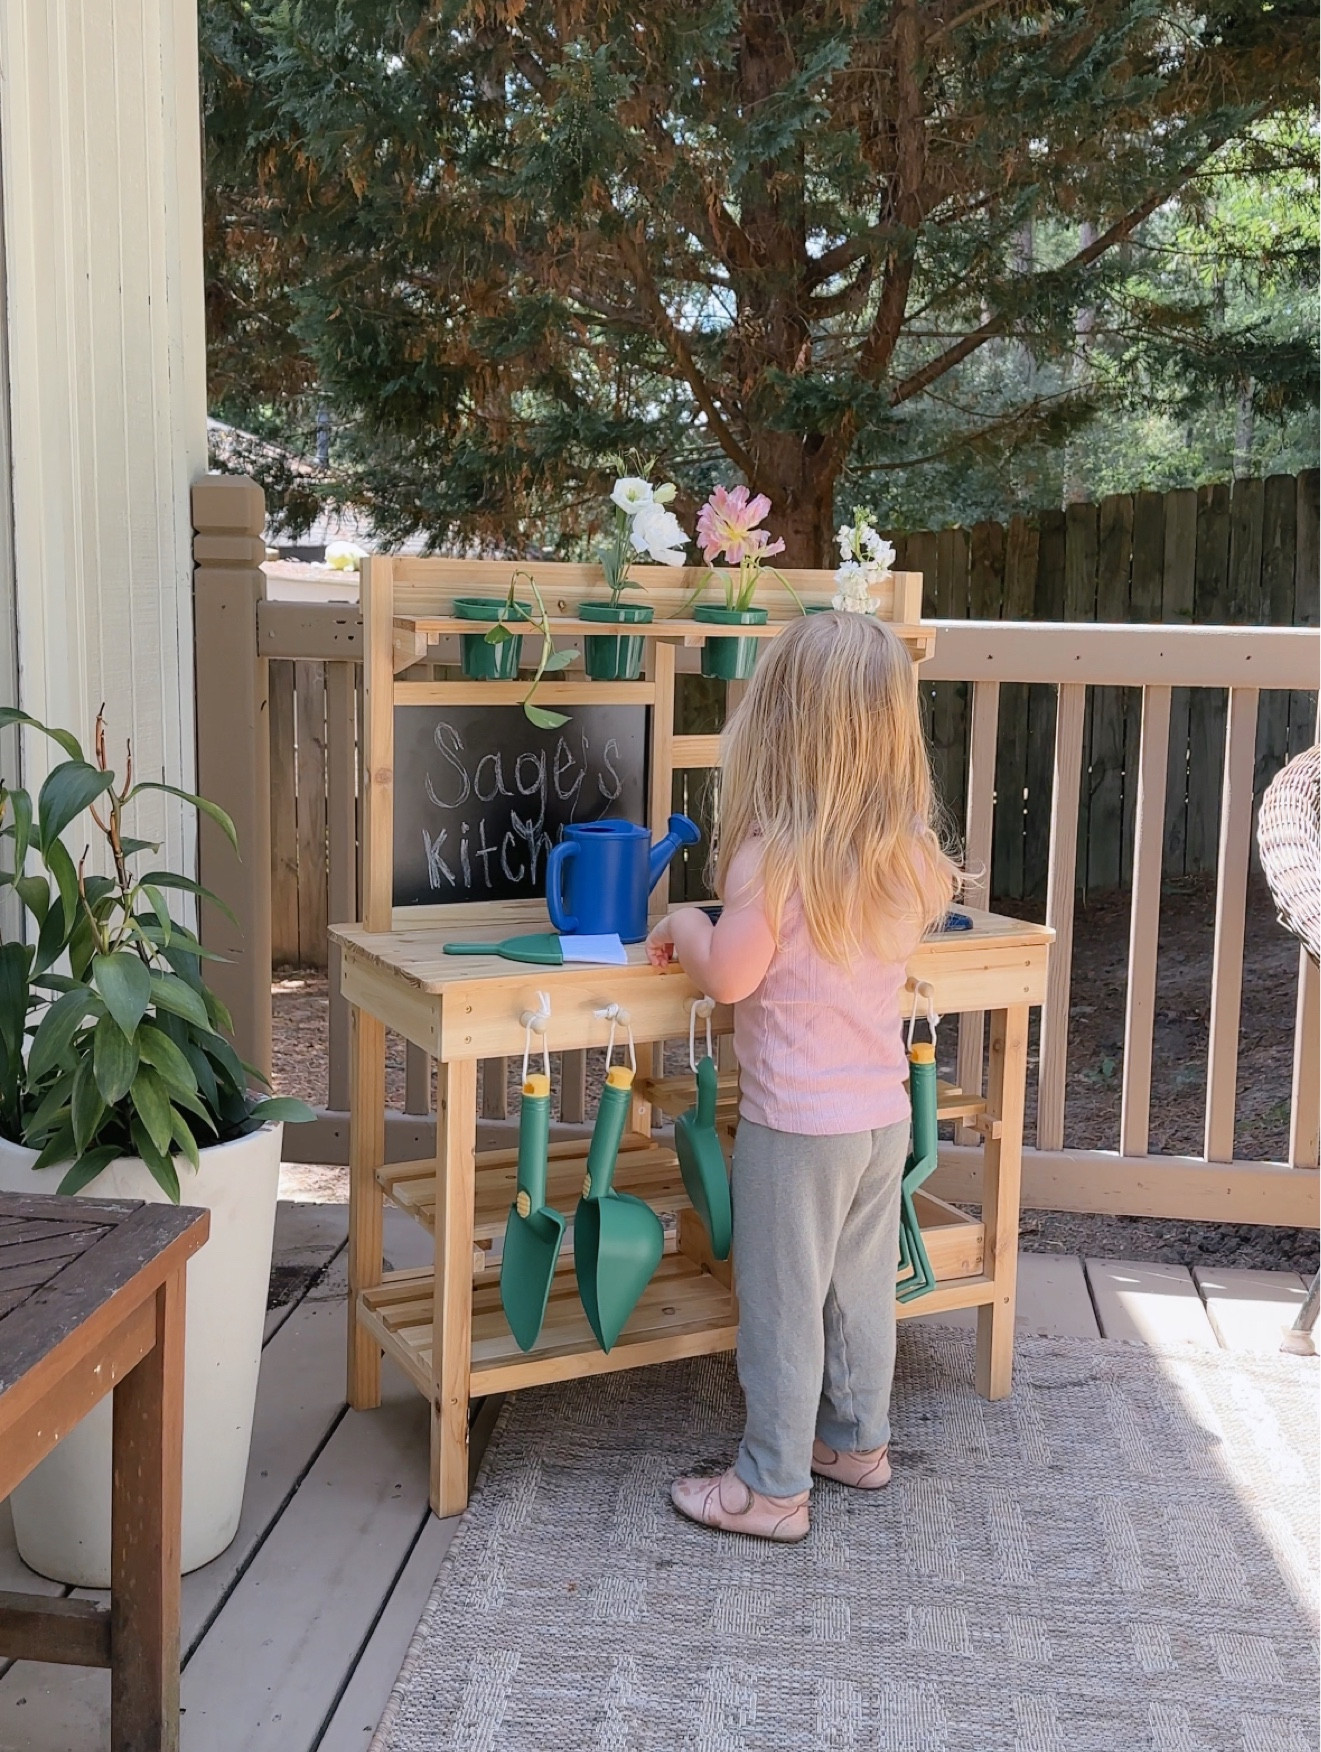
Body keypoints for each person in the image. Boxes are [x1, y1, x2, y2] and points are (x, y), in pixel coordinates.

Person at [647, 611, 958, 1543]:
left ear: (775, 728)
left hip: (796, 1131)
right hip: (876, 1119)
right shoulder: (905, 855)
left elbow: (732, 977)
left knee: (781, 1306)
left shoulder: (770, 859)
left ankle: (771, 1488)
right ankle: (857, 1442)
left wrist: (687, 926)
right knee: (856, 1289)